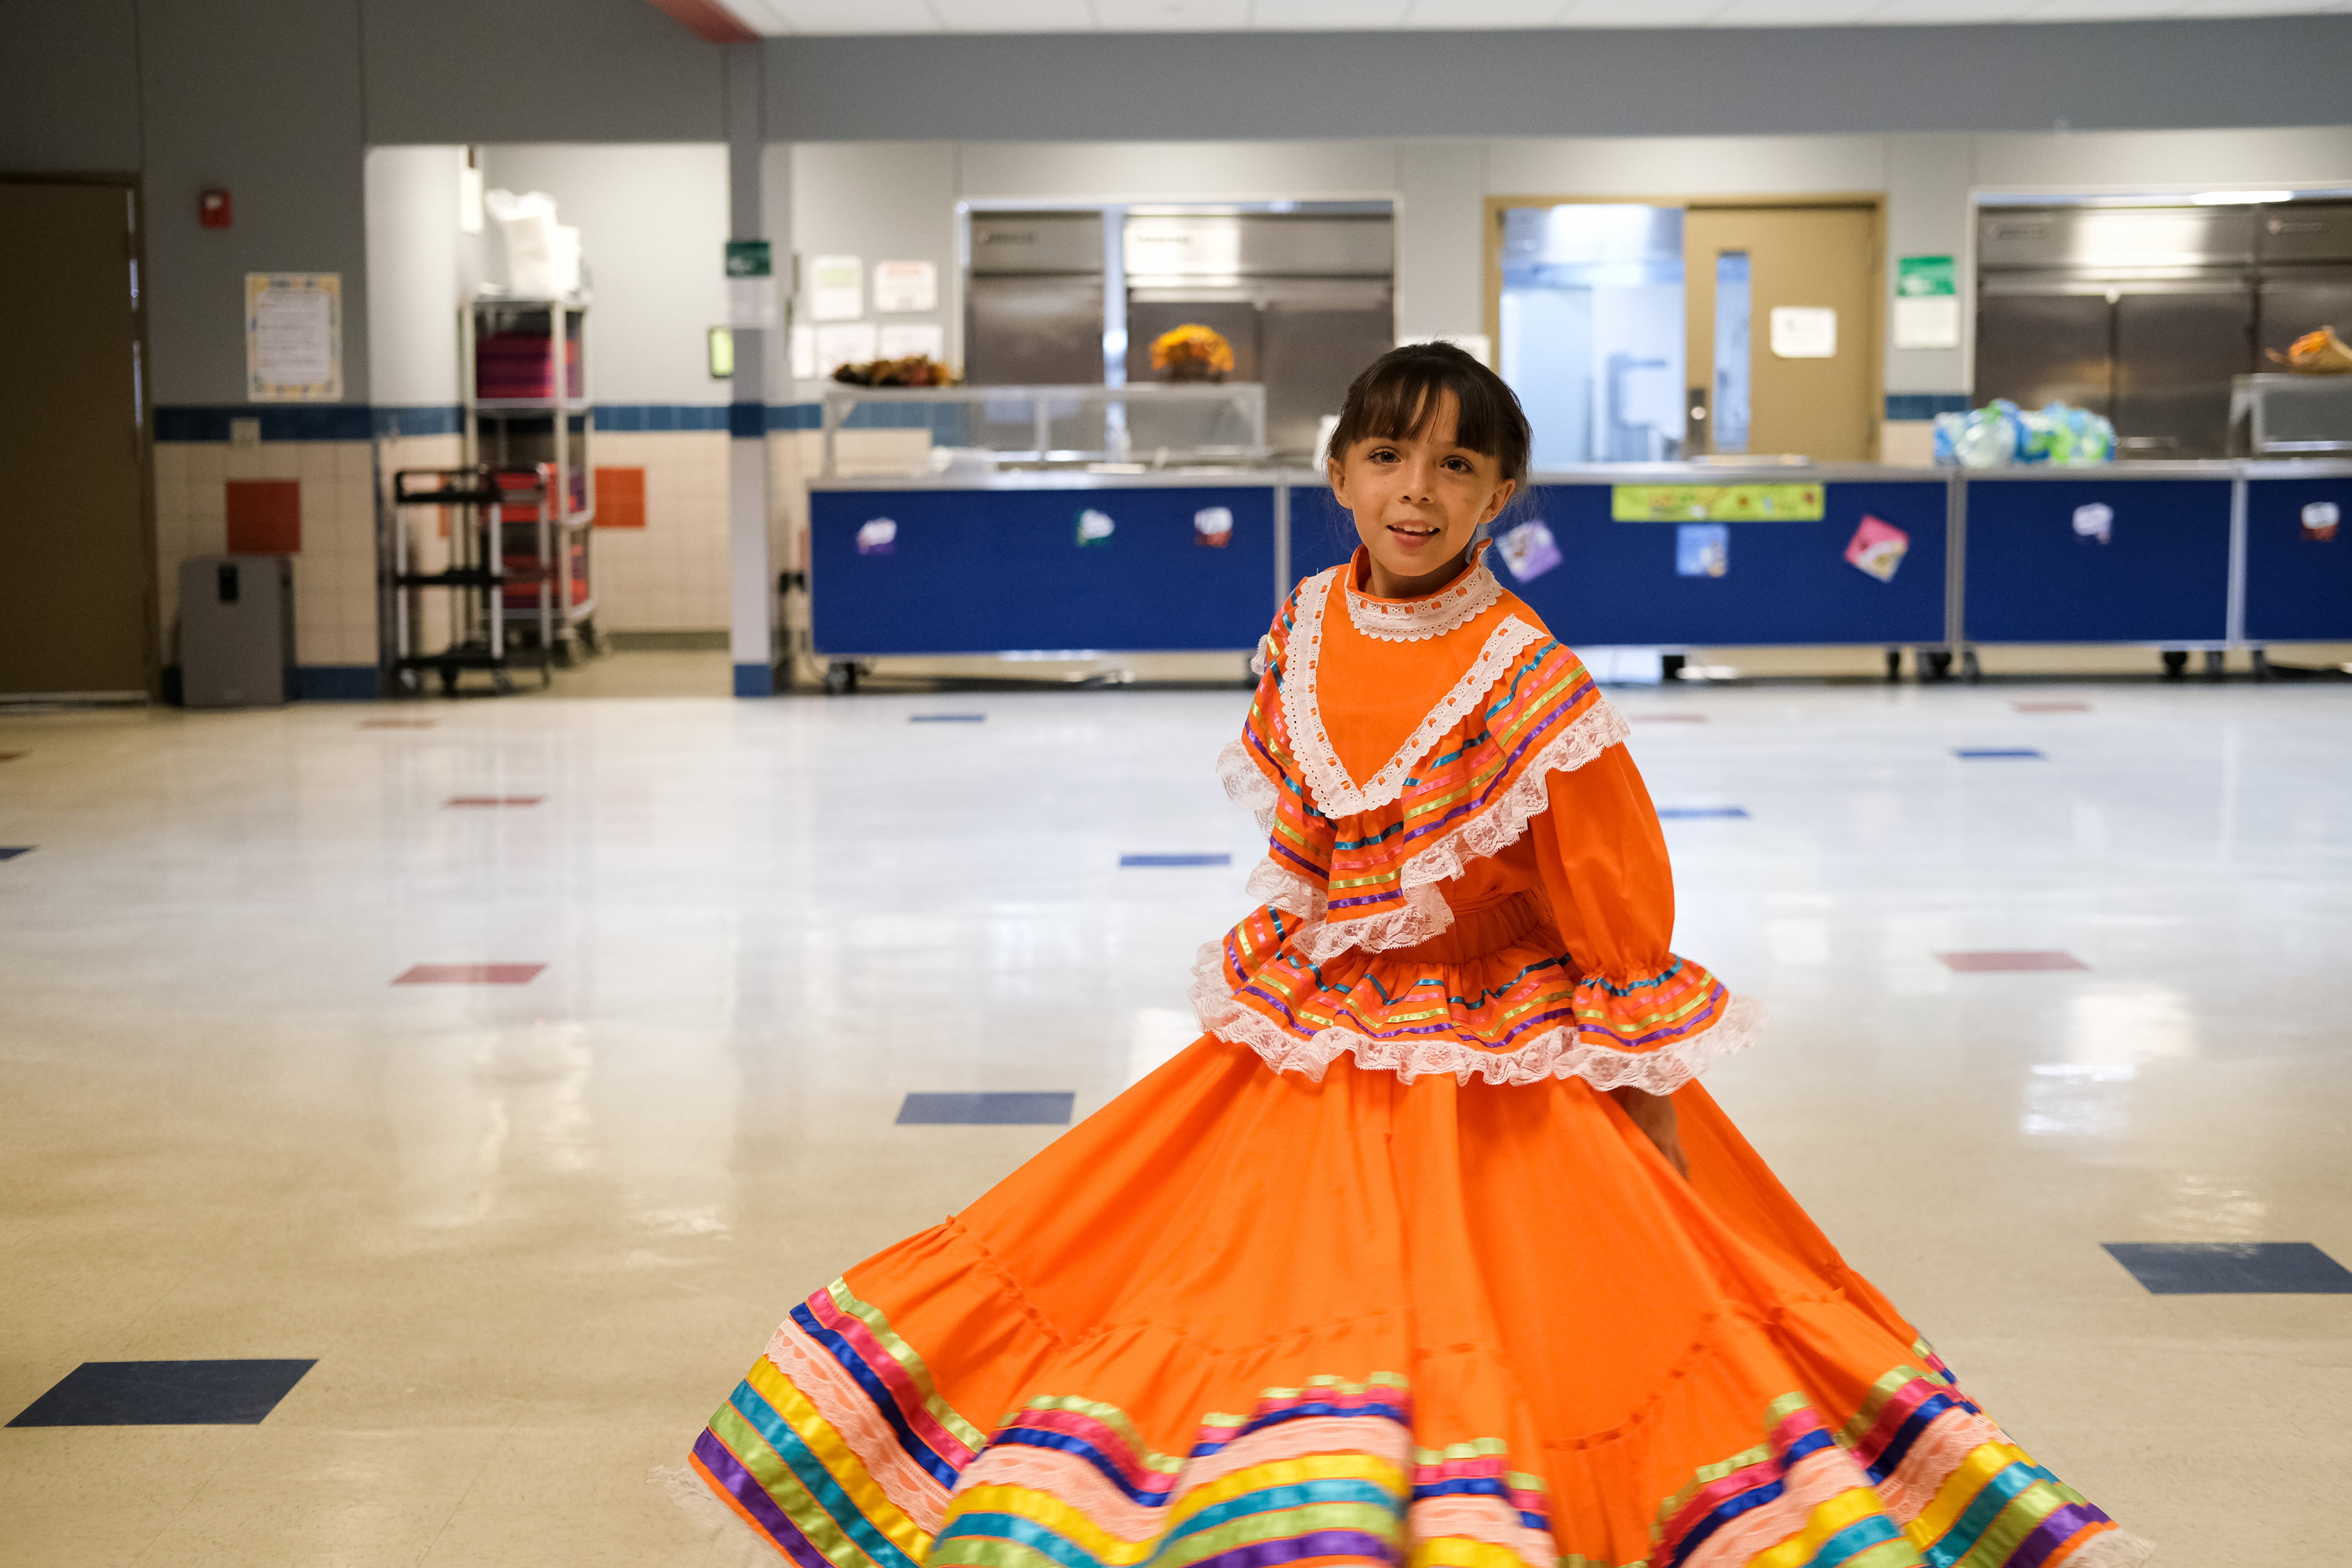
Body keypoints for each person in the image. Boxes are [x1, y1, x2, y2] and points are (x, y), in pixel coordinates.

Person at [684, 344, 2149, 1568]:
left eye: (1457, 466)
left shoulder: (1533, 675)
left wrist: (1646, 1114)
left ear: (1503, 494)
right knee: (1237, 1271)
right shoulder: (1306, 625)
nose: (1417, 490)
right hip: (1322, 1024)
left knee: (1544, 1307)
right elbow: (1312, 842)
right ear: (1338, 476)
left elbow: (1612, 902)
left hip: (1507, 1048)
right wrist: (1304, 971)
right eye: (1388, 456)